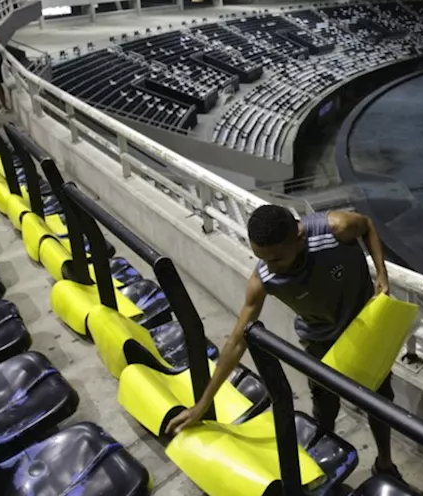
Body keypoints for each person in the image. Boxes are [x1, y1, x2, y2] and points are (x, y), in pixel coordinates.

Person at [167, 204, 402, 478]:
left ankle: (385, 464)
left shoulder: (336, 229)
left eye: (277, 259)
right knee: (325, 405)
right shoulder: (264, 279)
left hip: (366, 327)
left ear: (299, 237)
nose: (270, 267)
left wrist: (382, 275)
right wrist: (203, 404)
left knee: (380, 401)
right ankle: (322, 463)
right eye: (261, 258)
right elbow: (236, 342)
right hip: (319, 341)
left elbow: (367, 225)